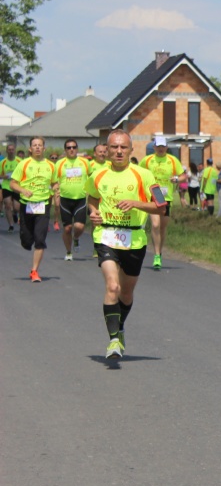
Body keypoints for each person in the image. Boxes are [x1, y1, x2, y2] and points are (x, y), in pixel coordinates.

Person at [86, 129, 164, 359]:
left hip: (134, 239)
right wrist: (93, 212)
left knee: (126, 293)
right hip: (106, 235)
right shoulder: (97, 175)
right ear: (107, 150)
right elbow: (91, 197)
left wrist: (136, 203)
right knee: (112, 287)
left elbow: (161, 205)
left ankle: (119, 328)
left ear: (131, 150)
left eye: (123, 147)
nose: (118, 151)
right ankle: (112, 342)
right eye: (114, 147)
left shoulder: (145, 175)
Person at [10, 136, 59, 282]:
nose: (37, 147)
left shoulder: (51, 165)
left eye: (40, 145)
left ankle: (34, 271)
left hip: (43, 204)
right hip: (27, 204)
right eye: (34, 145)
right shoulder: (24, 164)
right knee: (26, 240)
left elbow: (55, 183)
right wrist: (22, 190)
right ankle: (26, 239)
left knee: (40, 239)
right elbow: (13, 183)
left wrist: (56, 190)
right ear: (30, 149)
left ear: (44, 148)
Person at [142, 136, 183, 270]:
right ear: (154, 147)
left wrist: (177, 179)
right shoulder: (147, 160)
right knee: (155, 224)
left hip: (166, 196)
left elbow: (183, 175)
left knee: (162, 227)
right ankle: (156, 255)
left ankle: (159, 251)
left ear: (166, 147)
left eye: (163, 146)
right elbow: (137, 172)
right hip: (153, 194)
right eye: (158, 146)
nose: (160, 149)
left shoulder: (172, 160)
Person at [55, 138, 92, 260]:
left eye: (74, 147)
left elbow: (91, 177)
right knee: (67, 228)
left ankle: (76, 238)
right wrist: (56, 191)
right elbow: (55, 182)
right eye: (69, 148)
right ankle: (68, 252)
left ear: (77, 149)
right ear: (65, 150)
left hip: (80, 199)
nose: (71, 149)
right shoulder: (59, 163)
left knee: (79, 227)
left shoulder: (85, 162)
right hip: (65, 199)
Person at [1, 142, 20, 232]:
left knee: (16, 207)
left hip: (17, 186)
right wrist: (3, 177)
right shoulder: (3, 162)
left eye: (12, 150)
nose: (11, 151)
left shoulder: (20, 161)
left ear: (15, 151)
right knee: (8, 204)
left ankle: (15, 214)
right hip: (6, 185)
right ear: (7, 151)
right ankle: (11, 225)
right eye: (9, 150)